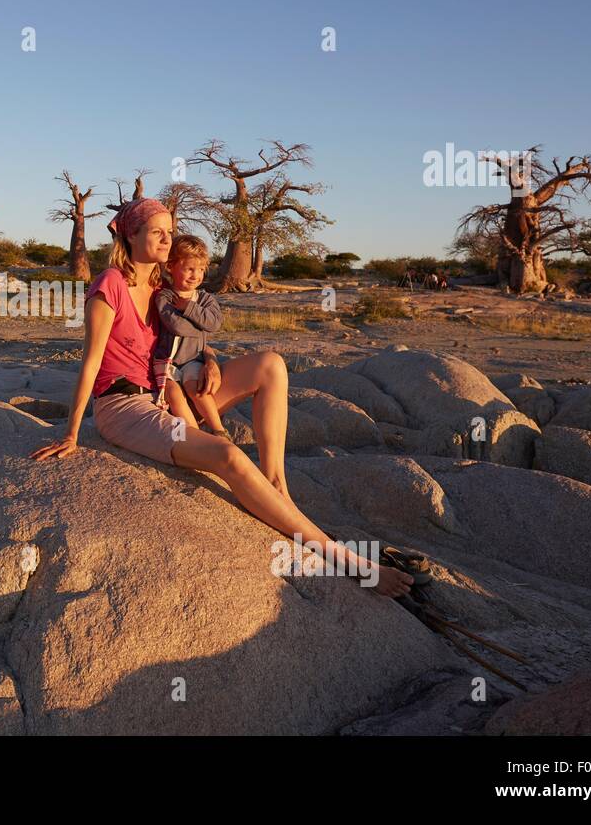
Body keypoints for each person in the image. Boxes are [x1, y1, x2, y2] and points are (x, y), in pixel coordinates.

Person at [28, 197, 413, 598]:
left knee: (271, 366)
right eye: (157, 232)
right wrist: (73, 432)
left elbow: (189, 338)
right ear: (131, 235)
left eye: (170, 231)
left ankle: (276, 484)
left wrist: (210, 359)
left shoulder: (162, 283)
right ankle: (349, 561)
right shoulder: (109, 285)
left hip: (171, 386)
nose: (167, 239)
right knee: (228, 456)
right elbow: (89, 362)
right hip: (126, 407)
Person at [150, 234, 228, 439]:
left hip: (194, 359)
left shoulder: (205, 299)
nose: (196, 275)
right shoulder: (164, 297)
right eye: (189, 269)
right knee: (174, 395)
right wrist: (202, 329)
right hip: (168, 360)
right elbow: (176, 326)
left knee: (197, 390)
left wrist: (189, 308)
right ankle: (196, 438)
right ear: (170, 267)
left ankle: (219, 431)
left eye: (201, 269)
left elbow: (215, 323)